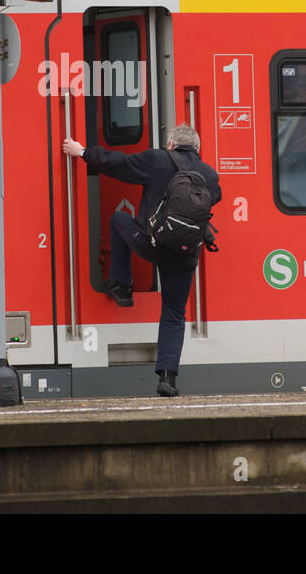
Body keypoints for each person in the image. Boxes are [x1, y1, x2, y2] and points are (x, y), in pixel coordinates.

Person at [62, 123, 221, 397]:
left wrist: (83, 152)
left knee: (118, 219)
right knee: (174, 313)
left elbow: (119, 163)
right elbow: (212, 201)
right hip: (183, 253)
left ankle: (122, 285)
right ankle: (167, 379)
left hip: (149, 242)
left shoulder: (157, 159)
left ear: (171, 144)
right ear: (197, 148)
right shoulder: (209, 175)